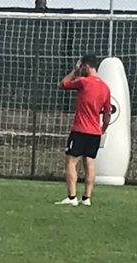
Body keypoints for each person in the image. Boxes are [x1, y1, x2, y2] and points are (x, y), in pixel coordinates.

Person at [56, 54, 112, 206]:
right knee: (90, 163)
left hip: (80, 129)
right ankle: (87, 198)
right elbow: (107, 114)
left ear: (85, 66)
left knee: (71, 161)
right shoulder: (105, 88)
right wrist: (103, 129)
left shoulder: (83, 82)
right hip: (95, 132)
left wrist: (74, 70)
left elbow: (63, 84)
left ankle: (72, 197)